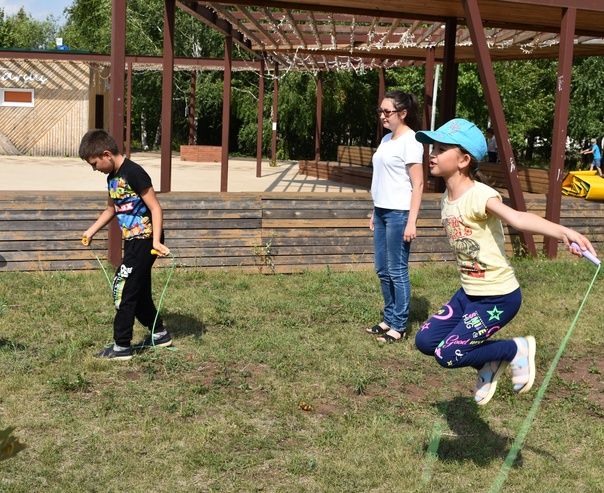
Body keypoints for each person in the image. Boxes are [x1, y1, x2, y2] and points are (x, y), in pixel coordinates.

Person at [413, 118, 596, 405]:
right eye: (433, 147)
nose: (432, 153)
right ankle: (488, 362)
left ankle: (515, 350)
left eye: (441, 148)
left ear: (463, 160)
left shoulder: (480, 195)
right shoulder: (446, 198)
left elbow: (518, 218)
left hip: (497, 298)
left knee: (447, 355)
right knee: (425, 342)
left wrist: (564, 232)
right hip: (468, 294)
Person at [79, 129, 172, 360]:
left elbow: (155, 208)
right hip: (132, 241)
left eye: (94, 163)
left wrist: (157, 241)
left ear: (106, 154)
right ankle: (159, 334)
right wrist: (91, 231)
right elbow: (112, 209)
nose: (94, 169)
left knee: (122, 289)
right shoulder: (112, 178)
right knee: (138, 292)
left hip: (146, 241)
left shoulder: (134, 173)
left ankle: (121, 346)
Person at [365, 91, 424, 343]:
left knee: (397, 270)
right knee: (382, 269)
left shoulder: (411, 141)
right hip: (381, 211)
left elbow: (418, 184)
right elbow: (381, 178)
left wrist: (412, 221)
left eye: (387, 112)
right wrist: (374, 210)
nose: (382, 116)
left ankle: (399, 325)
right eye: (380, 111)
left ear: (403, 113)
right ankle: (388, 318)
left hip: (399, 213)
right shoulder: (387, 139)